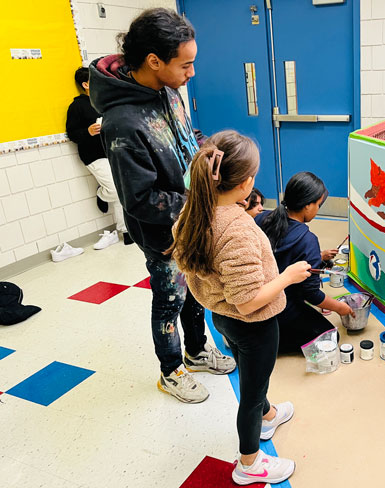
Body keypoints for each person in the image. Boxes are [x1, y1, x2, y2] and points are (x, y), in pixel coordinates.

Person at [89, 8, 235, 403]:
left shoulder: (168, 92)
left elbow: (186, 136)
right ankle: (171, 370)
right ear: (154, 61)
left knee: (195, 288)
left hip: (191, 219)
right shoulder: (122, 123)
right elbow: (139, 199)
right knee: (170, 297)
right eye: (185, 65)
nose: (191, 73)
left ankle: (197, 349)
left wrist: (210, 152)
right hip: (163, 234)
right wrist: (202, 201)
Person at [169, 131, 310, 485]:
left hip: (223, 318)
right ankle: (249, 463)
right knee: (251, 391)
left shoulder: (196, 211)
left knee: (254, 377)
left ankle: (269, 415)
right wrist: (289, 277)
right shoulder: (234, 230)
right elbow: (247, 300)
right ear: (245, 183)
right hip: (253, 323)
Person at [256, 172, 353, 353]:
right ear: (307, 205)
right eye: (317, 204)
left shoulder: (263, 218)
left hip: (257, 298)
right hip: (281, 306)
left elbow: (281, 253)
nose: (318, 209)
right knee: (330, 337)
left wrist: (318, 256)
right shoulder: (307, 241)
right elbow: (311, 295)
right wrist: (340, 307)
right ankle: (266, 344)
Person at [66, 67, 130, 249]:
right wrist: (87, 131)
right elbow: (72, 133)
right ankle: (102, 194)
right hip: (93, 155)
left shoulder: (104, 102)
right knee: (114, 190)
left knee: (121, 189)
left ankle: (126, 231)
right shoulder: (77, 106)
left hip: (113, 152)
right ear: (85, 84)